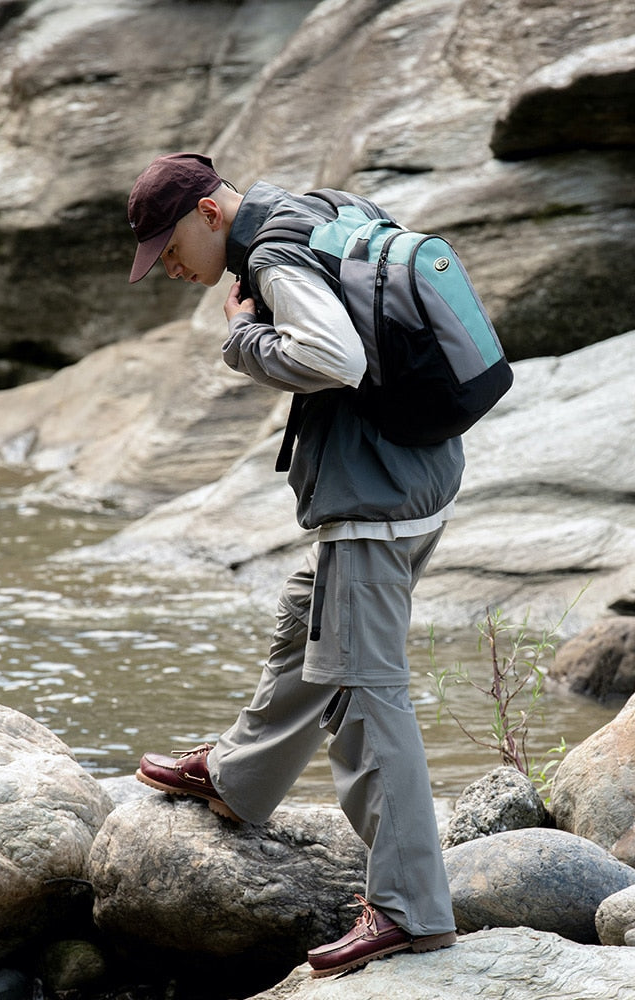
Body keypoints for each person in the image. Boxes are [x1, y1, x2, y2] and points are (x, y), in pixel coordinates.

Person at [127, 152, 462, 978]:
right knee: (307, 617)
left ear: (209, 214)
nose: (170, 267)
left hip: (376, 499)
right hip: (417, 470)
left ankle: (409, 909)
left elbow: (336, 359)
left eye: (170, 248)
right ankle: (241, 775)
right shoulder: (317, 204)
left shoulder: (271, 254)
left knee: (365, 694)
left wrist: (244, 340)